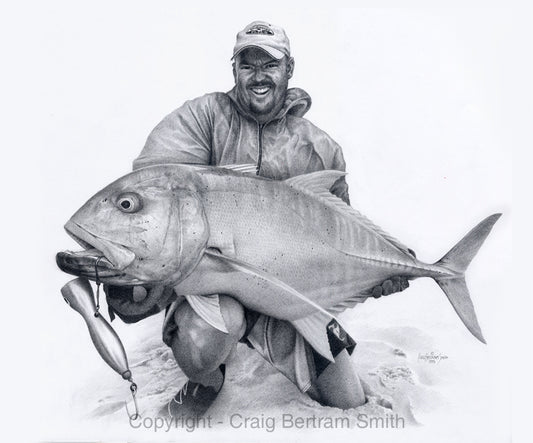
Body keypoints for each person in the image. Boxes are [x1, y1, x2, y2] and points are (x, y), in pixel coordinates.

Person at [105, 20, 410, 416]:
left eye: (270, 64)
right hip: (215, 293)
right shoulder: (200, 119)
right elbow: (153, 194)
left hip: (287, 296)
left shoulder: (320, 148)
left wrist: (378, 275)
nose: (258, 76)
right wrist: (134, 276)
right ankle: (207, 380)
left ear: (289, 69)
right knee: (209, 337)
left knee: (348, 399)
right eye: (247, 65)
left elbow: (342, 236)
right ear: (234, 70)